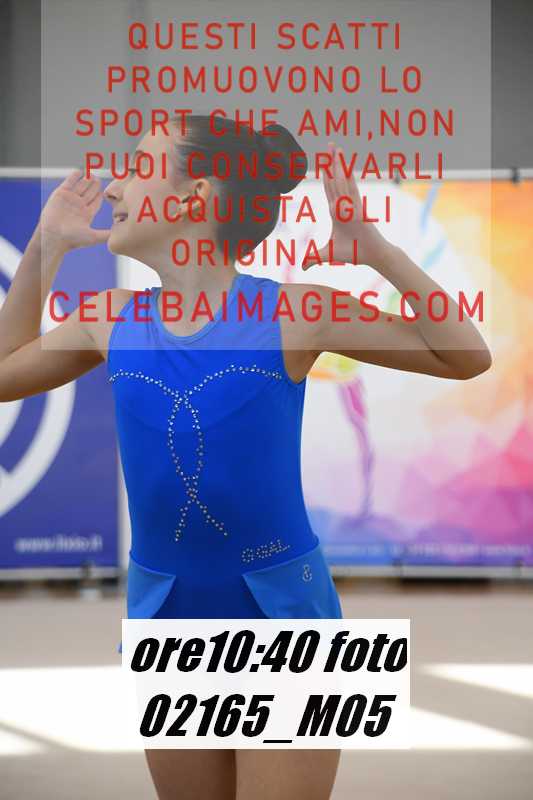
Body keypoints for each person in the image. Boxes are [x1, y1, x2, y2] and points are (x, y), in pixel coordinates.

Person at [0, 116, 491, 800]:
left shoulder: (295, 312)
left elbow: (465, 355)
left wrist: (373, 249)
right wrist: (46, 247)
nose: (112, 188)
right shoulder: (107, 318)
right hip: (167, 614)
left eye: (138, 166)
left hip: (284, 616)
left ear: (195, 194)